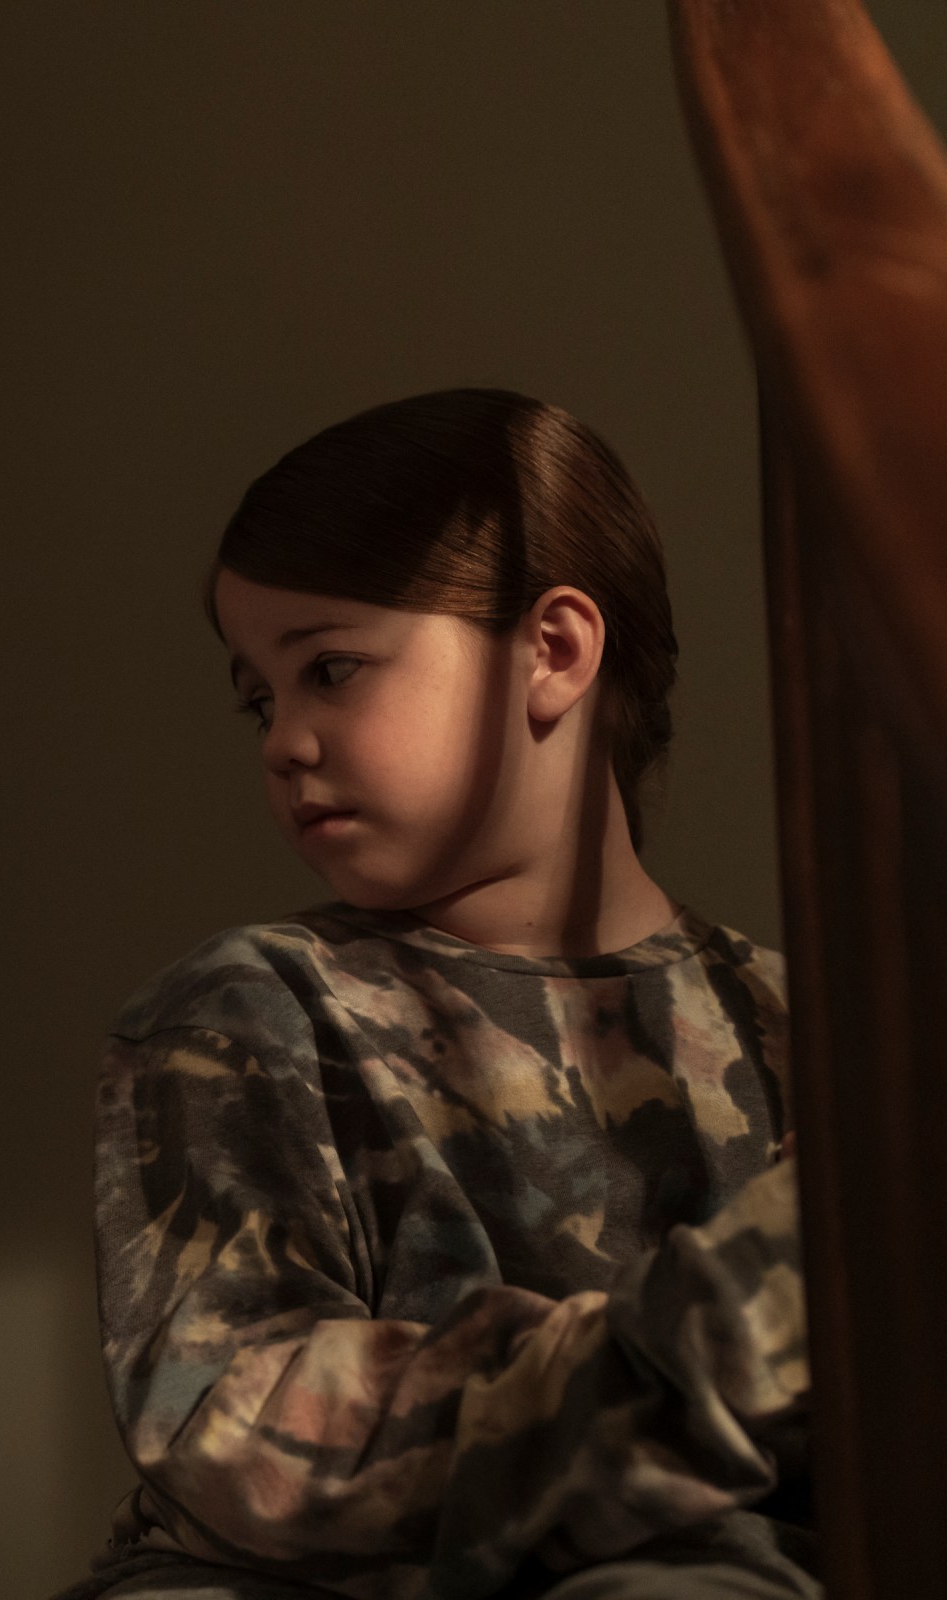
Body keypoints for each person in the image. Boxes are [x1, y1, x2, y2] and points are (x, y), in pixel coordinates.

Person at [66, 391, 812, 1600]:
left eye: (331, 669)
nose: (283, 740)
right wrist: (691, 1348)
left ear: (556, 651)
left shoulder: (798, 1029)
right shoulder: (246, 1015)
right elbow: (234, 1411)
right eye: (262, 695)